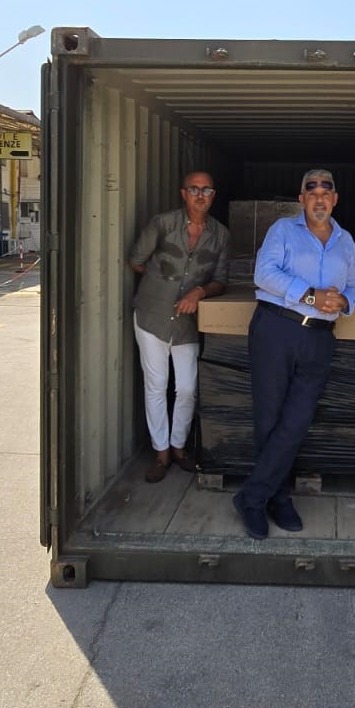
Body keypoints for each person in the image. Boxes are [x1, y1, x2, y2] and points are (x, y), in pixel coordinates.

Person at [233, 169, 355, 539]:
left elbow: (352, 284)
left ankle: (253, 496)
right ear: (301, 199)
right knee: (270, 419)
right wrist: (311, 295)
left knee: (298, 420)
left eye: (326, 191)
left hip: (319, 337)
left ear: (335, 199)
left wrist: (344, 301)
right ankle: (277, 498)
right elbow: (263, 274)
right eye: (311, 191)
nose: (319, 197)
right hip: (277, 328)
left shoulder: (346, 240)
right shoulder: (282, 230)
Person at [129, 171, 229, 483]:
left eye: (206, 190)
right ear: (183, 194)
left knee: (186, 387)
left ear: (213, 195)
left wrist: (198, 292)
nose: (200, 195)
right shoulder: (162, 224)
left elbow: (220, 280)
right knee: (156, 385)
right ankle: (161, 453)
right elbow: (136, 260)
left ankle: (178, 447)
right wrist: (163, 283)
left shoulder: (221, 235)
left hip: (187, 322)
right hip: (152, 316)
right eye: (194, 189)